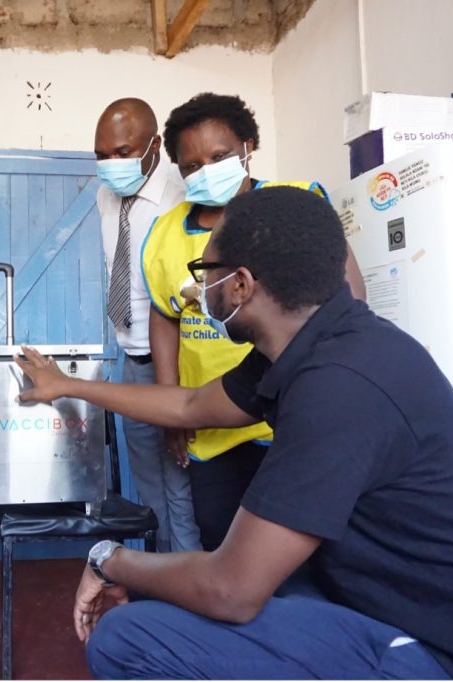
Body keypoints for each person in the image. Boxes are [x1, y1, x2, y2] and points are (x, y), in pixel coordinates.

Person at [14, 186, 453, 680]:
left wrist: (107, 560)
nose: (196, 292)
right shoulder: (313, 343)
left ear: (241, 285)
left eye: (205, 275)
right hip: (377, 595)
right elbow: (189, 404)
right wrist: (66, 385)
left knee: (128, 638)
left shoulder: (339, 387)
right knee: (175, 590)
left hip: (442, 650)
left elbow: (231, 589)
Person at [142, 92, 366, 550]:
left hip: (293, 415)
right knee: (222, 539)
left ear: (248, 146)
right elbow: (165, 317)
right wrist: (171, 406)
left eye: (219, 156)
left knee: (301, 547)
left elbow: (349, 294)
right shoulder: (165, 234)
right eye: (191, 165)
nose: (205, 170)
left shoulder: (295, 207)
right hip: (211, 423)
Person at [93, 98, 198, 553]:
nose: (112, 164)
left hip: (179, 355)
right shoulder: (105, 195)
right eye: (102, 156)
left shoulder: (183, 192)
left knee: (181, 475)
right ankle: (161, 570)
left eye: (122, 151)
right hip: (131, 354)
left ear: (154, 145)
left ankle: (189, 571)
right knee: (148, 475)